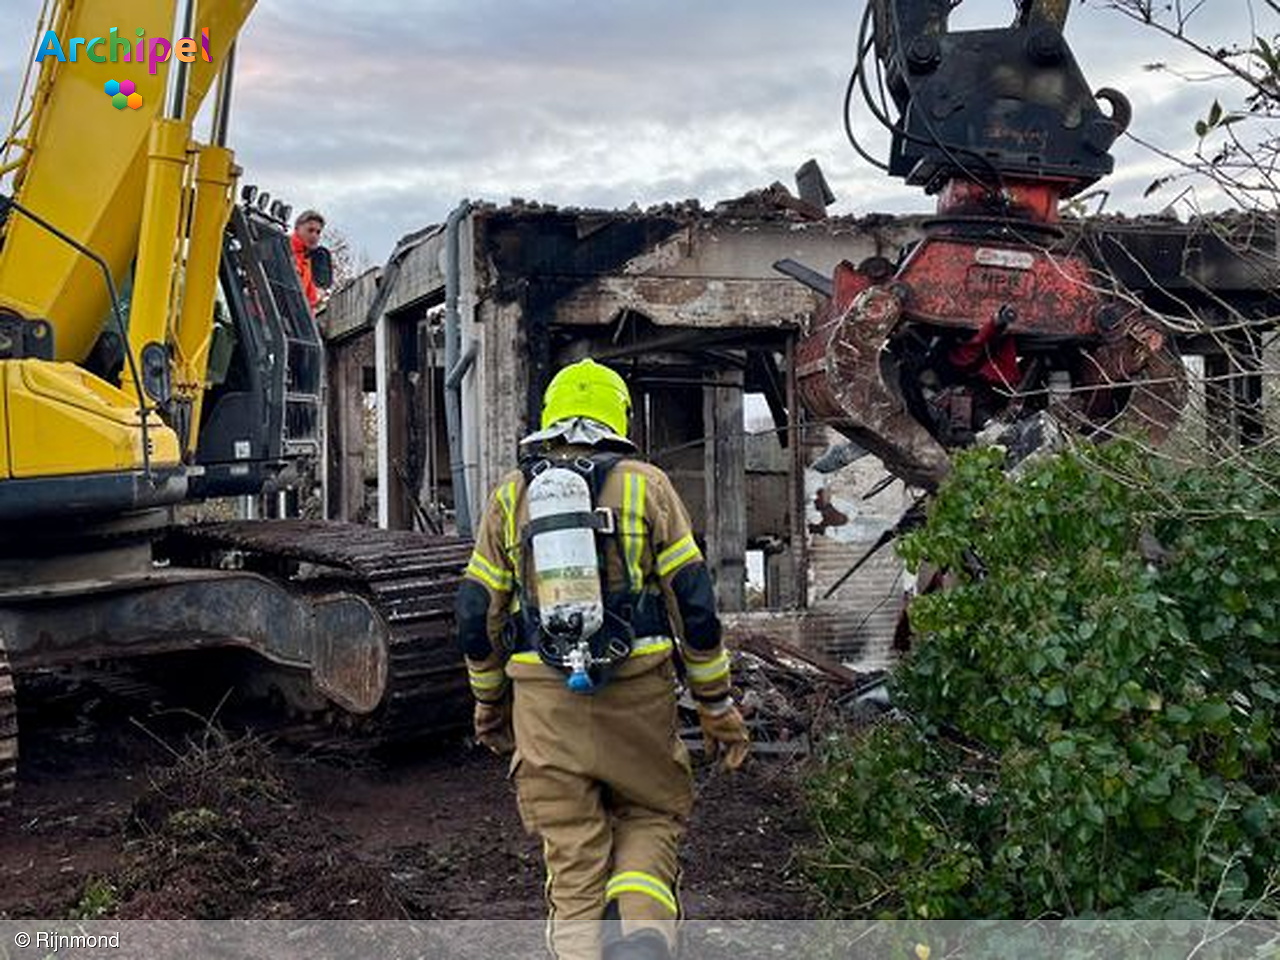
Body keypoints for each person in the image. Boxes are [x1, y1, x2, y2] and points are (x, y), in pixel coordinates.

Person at [456, 358, 751, 960]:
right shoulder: (648, 486)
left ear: (550, 420)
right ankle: (641, 937)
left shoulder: (512, 497)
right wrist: (716, 705)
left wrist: (489, 704)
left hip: (544, 710)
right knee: (649, 819)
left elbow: (473, 613)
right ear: (618, 418)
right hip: (637, 704)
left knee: (573, 871)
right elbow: (694, 606)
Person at [290, 209, 325, 310]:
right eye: (310, 230)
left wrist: (318, 302)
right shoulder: (283, 251)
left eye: (318, 232)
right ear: (297, 229)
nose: (314, 236)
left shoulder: (307, 262)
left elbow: (309, 303)